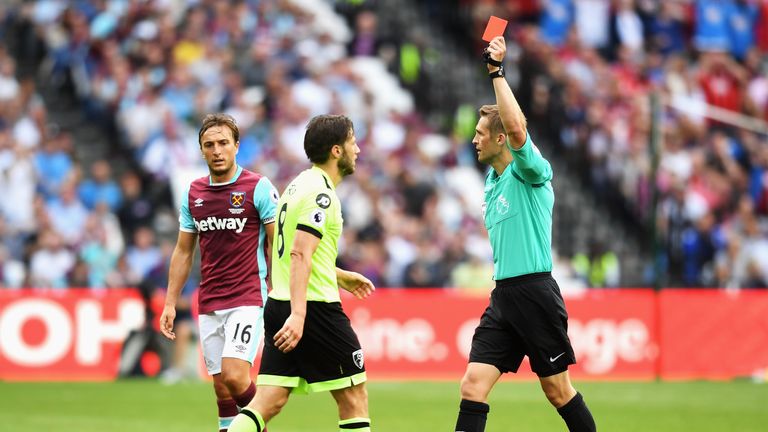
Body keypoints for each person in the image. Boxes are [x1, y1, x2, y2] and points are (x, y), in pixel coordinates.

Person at [454, 37, 597, 432]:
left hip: (535, 293)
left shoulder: (530, 172)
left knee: (557, 390)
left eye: (481, 133)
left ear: (501, 140)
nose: (474, 139)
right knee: (472, 385)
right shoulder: (491, 180)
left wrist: (497, 71)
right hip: (503, 295)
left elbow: (516, 126)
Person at [229, 114, 375, 432]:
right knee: (353, 398)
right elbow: (298, 253)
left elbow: (286, 251)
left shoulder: (296, 186)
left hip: (279, 303)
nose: (358, 149)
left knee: (267, 401)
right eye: (352, 141)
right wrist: (299, 315)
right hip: (313, 308)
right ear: (337, 150)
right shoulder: (322, 194)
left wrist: (338, 274)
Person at [159, 113, 278, 432]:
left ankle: (264, 425)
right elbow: (184, 250)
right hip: (209, 301)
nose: (217, 150)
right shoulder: (193, 193)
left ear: (237, 146)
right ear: (201, 150)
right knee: (222, 389)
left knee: (236, 375)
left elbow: (277, 243)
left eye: (224, 142)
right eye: (209, 144)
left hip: (248, 298)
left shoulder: (258, 187)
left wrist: (281, 293)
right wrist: (170, 302)